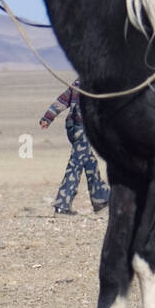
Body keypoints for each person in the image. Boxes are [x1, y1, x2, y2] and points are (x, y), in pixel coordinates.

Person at [40, 81, 109, 216]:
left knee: (90, 162)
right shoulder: (94, 85)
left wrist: (47, 118)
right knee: (76, 164)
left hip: (74, 128)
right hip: (81, 128)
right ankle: (62, 205)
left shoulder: (79, 82)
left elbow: (61, 101)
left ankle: (100, 200)